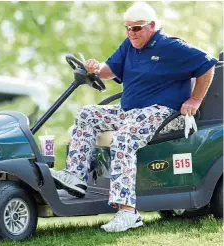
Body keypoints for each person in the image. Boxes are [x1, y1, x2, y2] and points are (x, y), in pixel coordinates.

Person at [50, 2, 218, 232]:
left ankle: (128, 212)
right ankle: (76, 177)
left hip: (160, 111)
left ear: (151, 26)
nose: (131, 33)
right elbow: (110, 70)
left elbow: (207, 65)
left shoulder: (171, 46)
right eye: (127, 28)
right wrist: (96, 68)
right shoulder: (129, 45)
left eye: (136, 28)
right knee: (86, 114)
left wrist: (195, 100)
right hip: (129, 111)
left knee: (123, 139)